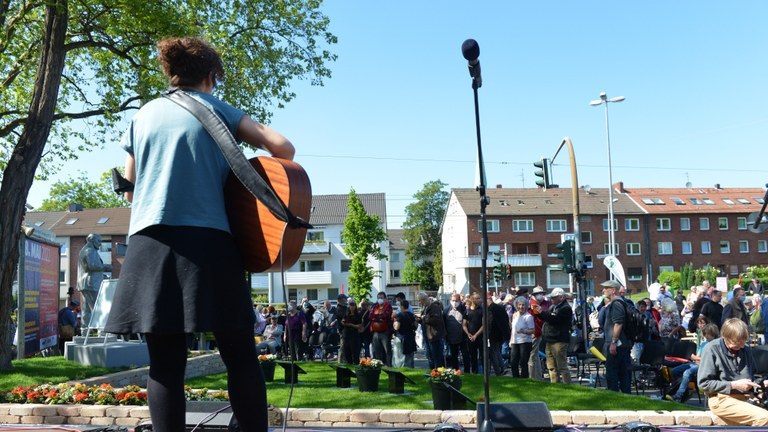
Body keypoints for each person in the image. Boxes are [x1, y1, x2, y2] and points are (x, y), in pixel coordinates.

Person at [103, 36, 295, 432]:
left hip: (149, 243)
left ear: (171, 75)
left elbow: (131, 188)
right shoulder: (216, 108)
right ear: (210, 76)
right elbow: (283, 147)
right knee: (239, 353)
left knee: (165, 363)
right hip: (209, 242)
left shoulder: (143, 115)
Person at [698, 318, 768, 426]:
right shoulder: (711, 349)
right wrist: (733, 385)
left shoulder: (746, 350)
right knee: (765, 418)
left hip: (746, 397)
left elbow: (752, 378)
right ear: (724, 337)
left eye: (743, 342)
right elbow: (704, 384)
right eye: (737, 342)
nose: (740, 346)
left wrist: (761, 384)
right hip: (721, 399)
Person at [665, 323, 719, 402]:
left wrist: (697, 358)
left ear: (713, 334)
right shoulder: (704, 344)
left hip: (704, 366)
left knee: (687, 372)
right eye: (705, 334)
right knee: (674, 371)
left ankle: (678, 395)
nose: (706, 336)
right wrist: (695, 358)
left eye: (707, 334)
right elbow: (698, 356)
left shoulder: (715, 345)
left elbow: (711, 359)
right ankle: (686, 390)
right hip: (695, 363)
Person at [533, 287, 573, 384]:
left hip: (559, 340)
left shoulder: (566, 308)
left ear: (561, 297)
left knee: (561, 365)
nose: (551, 299)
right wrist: (539, 313)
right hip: (550, 339)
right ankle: (555, 385)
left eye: (554, 297)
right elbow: (547, 318)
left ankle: (568, 386)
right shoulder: (553, 306)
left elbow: (555, 319)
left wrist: (543, 312)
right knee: (551, 366)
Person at [600, 280, 633, 393]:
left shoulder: (617, 304)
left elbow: (618, 323)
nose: (603, 290)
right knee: (622, 372)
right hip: (621, 344)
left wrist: (613, 342)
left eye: (606, 288)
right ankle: (624, 396)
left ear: (613, 290)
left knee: (613, 372)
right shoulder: (618, 303)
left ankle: (614, 395)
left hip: (618, 345)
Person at [77, 233, 113, 329]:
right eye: (99, 241)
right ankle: (100, 331)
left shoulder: (85, 250)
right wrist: (106, 267)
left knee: (87, 309)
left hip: (86, 283)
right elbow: (93, 266)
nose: (100, 244)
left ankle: (85, 330)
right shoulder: (89, 251)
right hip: (91, 283)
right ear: (91, 241)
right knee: (97, 308)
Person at [417, 292, 446, 369]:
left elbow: (436, 320)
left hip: (434, 336)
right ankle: (432, 372)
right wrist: (419, 319)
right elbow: (426, 320)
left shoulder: (435, 307)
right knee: (429, 356)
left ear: (424, 299)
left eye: (420, 300)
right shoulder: (425, 307)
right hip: (427, 335)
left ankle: (438, 374)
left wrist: (424, 318)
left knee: (436, 356)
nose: (419, 302)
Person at [509, 296, 534, 378]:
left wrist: (524, 331)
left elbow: (532, 331)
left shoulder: (528, 317)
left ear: (526, 306)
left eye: (523, 305)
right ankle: (515, 378)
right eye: (519, 305)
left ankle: (524, 379)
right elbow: (513, 329)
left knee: (523, 362)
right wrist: (511, 340)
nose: (521, 307)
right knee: (513, 362)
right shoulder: (515, 315)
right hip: (515, 341)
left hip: (525, 342)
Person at [444, 293, 469, 372]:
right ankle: (455, 371)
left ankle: (467, 371)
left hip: (463, 337)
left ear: (460, 300)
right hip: (451, 337)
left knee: (465, 355)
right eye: (453, 300)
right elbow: (444, 323)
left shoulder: (464, 309)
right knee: (454, 356)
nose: (454, 302)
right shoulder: (446, 310)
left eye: (456, 300)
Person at [488, 293, 511, 375]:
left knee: (493, 352)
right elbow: (507, 319)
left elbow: (489, 323)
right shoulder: (500, 307)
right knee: (497, 351)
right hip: (502, 333)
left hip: (493, 333)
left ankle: (498, 370)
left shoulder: (490, 309)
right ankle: (502, 367)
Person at [369, 291, 393, 365]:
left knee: (387, 350)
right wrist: (379, 318)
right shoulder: (375, 306)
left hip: (385, 331)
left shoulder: (388, 306)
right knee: (377, 350)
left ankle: (388, 365)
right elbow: (370, 316)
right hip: (375, 332)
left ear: (385, 298)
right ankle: (379, 364)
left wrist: (376, 318)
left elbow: (385, 316)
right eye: (378, 298)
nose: (380, 299)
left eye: (381, 298)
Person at [463, 292, 485, 374]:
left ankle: (485, 372)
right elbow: (464, 324)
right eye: (477, 298)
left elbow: (484, 325)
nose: (480, 300)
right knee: (473, 356)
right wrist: (468, 333)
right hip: (470, 337)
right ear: (472, 300)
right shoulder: (467, 311)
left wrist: (476, 335)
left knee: (483, 356)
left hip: (480, 337)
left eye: (479, 298)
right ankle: (474, 372)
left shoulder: (482, 311)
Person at [393, 300, 417, 367]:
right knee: (410, 356)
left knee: (400, 356)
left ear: (402, 306)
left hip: (401, 337)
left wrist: (394, 323)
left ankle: (401, 368)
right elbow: (416, 325)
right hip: (410, 337)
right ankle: (410, 368)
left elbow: (397, 327)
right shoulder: (411, 315)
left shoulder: (399, 315)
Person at [339, 298, 362, 365]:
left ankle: (356, 364)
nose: (352, 307)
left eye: (353, 305)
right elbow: (342, 321)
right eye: (350, 305)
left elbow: (359, 326)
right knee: (346, 351)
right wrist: (343, 322)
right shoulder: (346, 314)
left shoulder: (358, 315)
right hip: (346, 334)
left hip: (354, 335)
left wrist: (351, 324)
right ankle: (349, 363)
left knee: (355, 351)